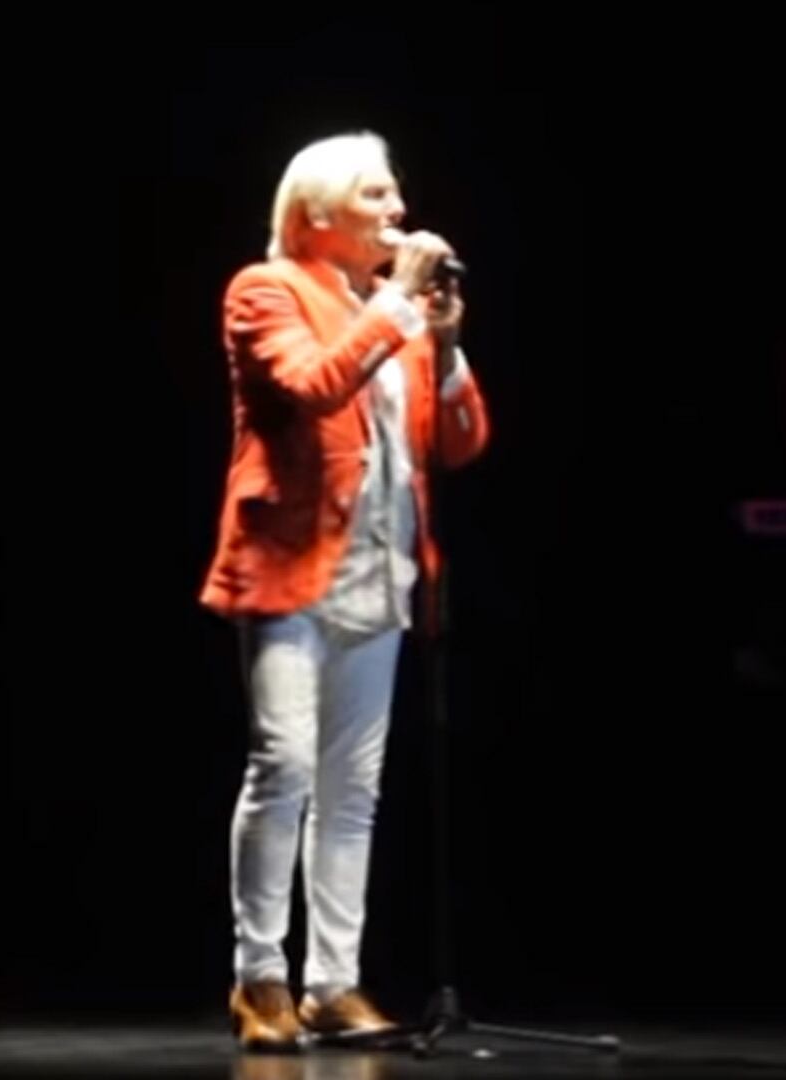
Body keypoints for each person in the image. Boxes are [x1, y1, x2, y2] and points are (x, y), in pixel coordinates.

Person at [199, 131, 492, 1052]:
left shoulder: (389, 312)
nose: (398, 214)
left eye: (394, 197)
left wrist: (442, 351)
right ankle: (261, 980)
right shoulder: (267, 290)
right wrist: (400, 305)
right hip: (291, 564)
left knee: (352, 787)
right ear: (319, 214)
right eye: (376, 198)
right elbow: (314, 385)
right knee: (282, 766)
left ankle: (333, 983)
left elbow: (458, 445)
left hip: (383, 573)